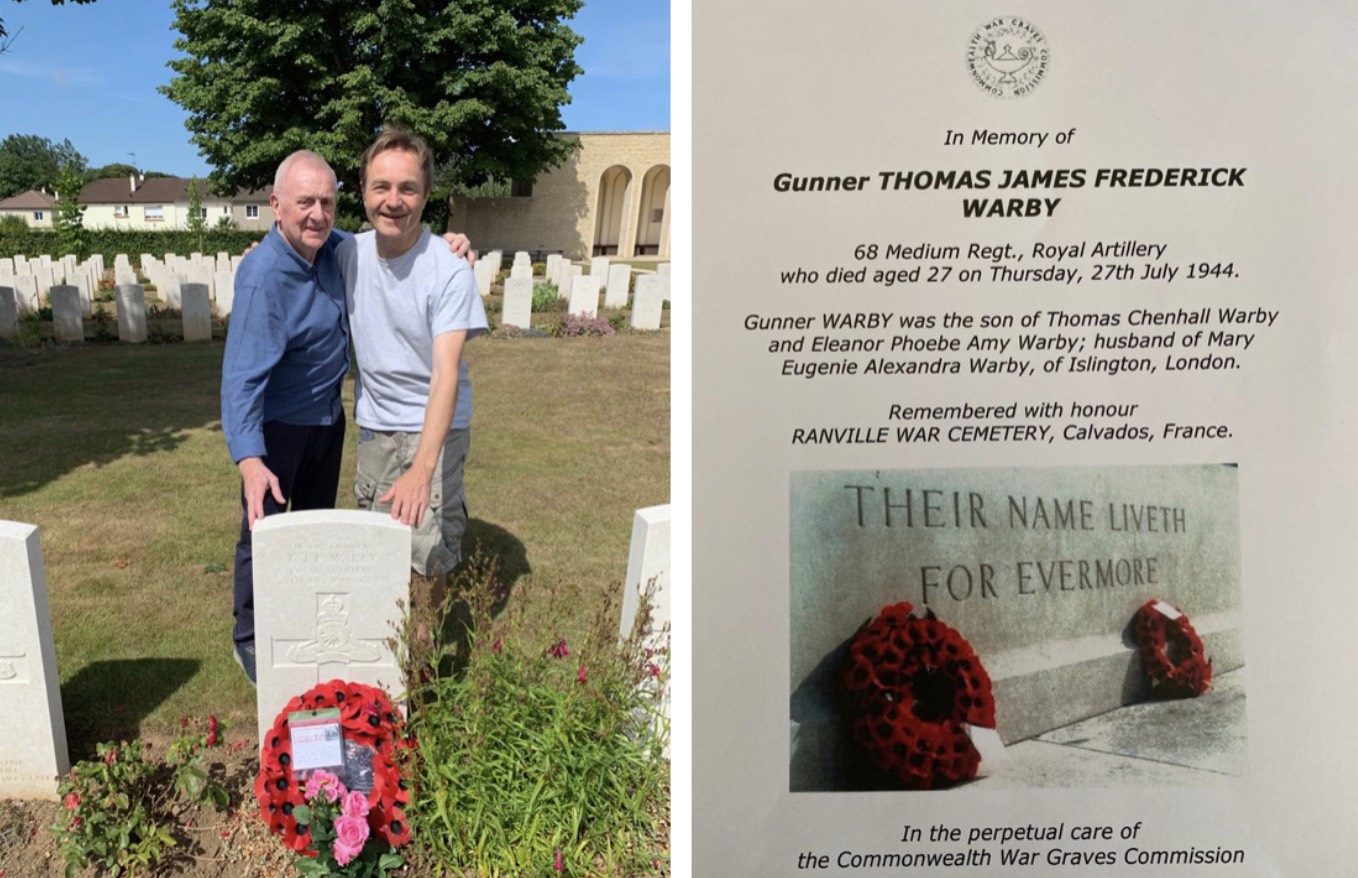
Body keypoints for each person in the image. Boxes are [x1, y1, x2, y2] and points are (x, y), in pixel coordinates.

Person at [221, 149, 472, 685]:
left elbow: (392, 238)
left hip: (329, 423)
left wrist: (454, 243)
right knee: (262, 533)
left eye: (327, 202)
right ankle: (249, 636)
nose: (316, 214)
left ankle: (304, 620)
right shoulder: (263, 276)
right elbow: (240, 376)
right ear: (275, 205)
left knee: (310, 534)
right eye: (304, 202)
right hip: (280, 430)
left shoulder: (337, 249)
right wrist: (249, 459)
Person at [337, 128, 488, 654]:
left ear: (426, 195)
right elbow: (295, 248)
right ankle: (380, 659)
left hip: (435, 428)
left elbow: (446, 371)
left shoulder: (448, 269)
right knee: (378, 548)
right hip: (377, 427)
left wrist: (422, 470)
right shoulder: (347, 254)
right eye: (381, 187)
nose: (393, 201)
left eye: (407, 188)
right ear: (362, 190)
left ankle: (417, 674)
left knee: (426, 557)